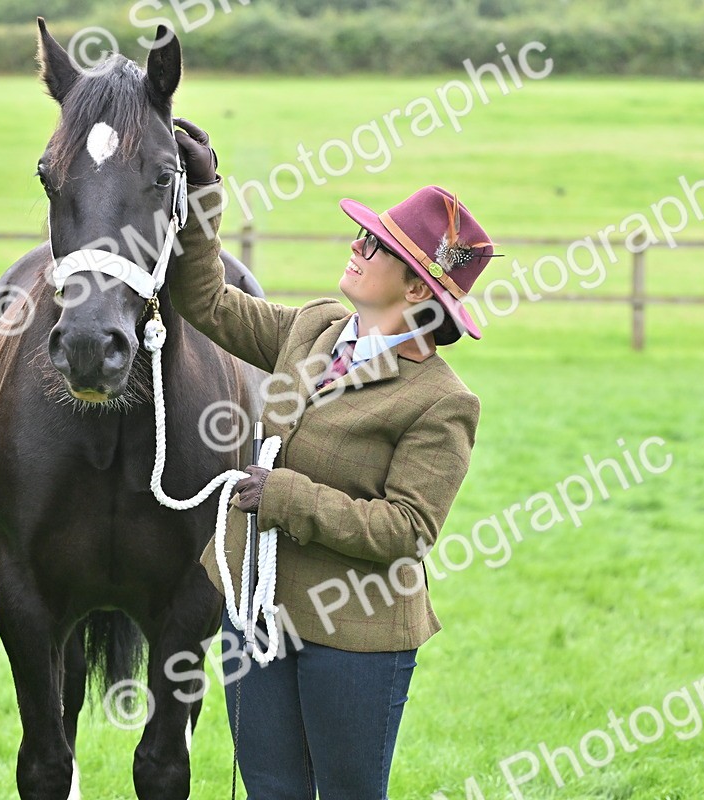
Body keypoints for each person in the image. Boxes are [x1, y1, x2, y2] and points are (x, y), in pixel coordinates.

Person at [169, 118, 498, 799]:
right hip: (256, 614)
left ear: (415, 292)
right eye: (364, 232)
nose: (357, 243)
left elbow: (405, 531)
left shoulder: (442, 402)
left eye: (375, 244)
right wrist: (204, 192)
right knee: (271, 791)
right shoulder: (314, 327)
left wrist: (286, 495)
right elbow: (204, 299)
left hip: (356, 635)